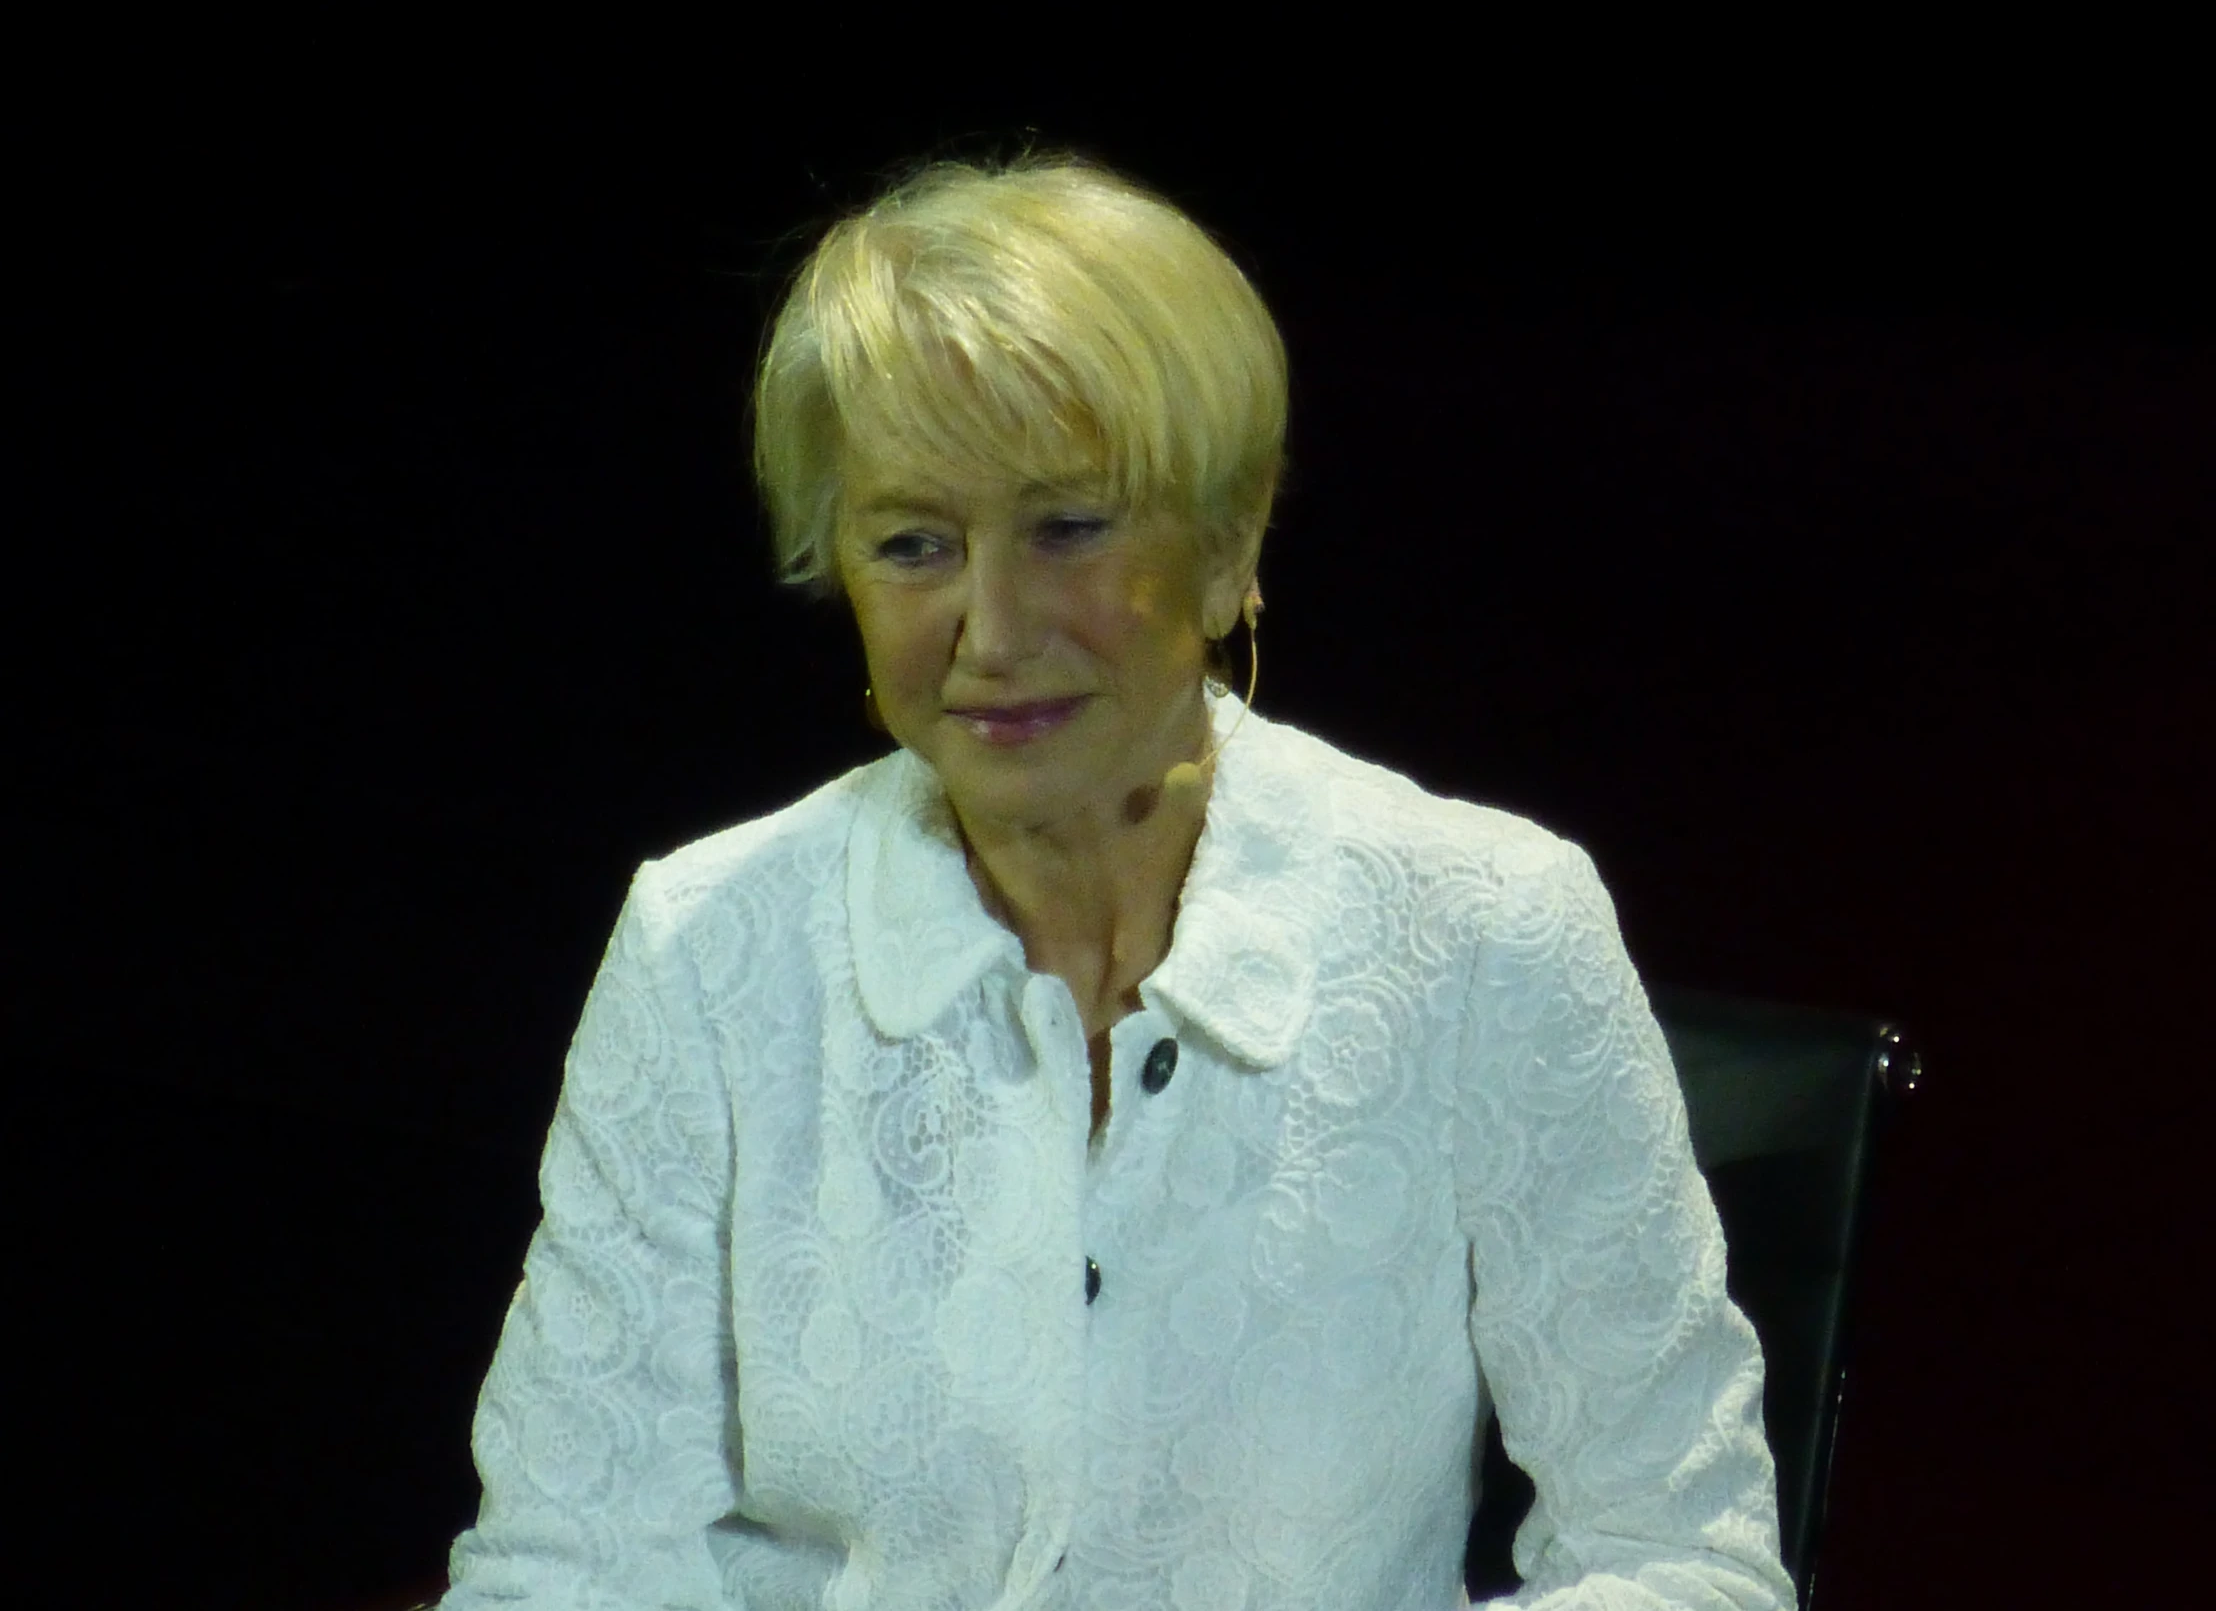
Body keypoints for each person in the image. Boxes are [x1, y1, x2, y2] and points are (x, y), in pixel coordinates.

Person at [436, 155, 1794, 1611]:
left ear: (1228, 544)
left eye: (1069, 525)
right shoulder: (707, 949)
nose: (993, 628)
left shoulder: (1489, 932)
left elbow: (1682, 1559)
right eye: (913, 544)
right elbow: (566, 1564)